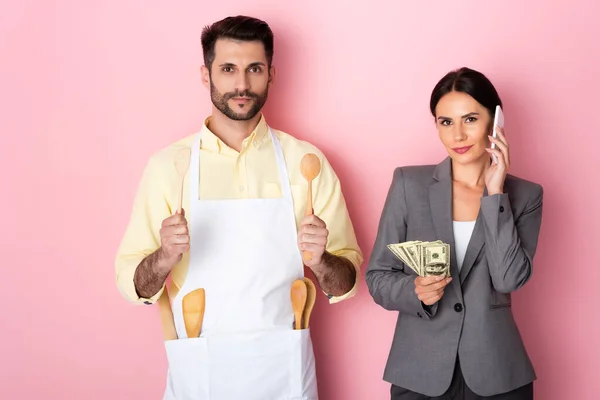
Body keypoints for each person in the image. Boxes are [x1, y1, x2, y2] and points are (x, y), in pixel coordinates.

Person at [114, 15, 362, 400]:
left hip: (285, 370)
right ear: (205, 74)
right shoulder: (169, 167)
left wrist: (320, 260)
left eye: (254, 69)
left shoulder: (305, 162)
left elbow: (345, 283)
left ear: (271, 74)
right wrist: (164, 256)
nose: (241, 84)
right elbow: (133, 286)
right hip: (202, 368)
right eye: (228, 69)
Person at [365, 67, 543, 400]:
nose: (457, 136)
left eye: (470, 119)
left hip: (497, 374)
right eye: (446, 122)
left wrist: (495, 194)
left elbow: (508, 279)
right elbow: (377, 277)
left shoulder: (526, 196)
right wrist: (414, 290)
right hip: (420, 372)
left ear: (496, 120)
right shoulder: (408, 185)